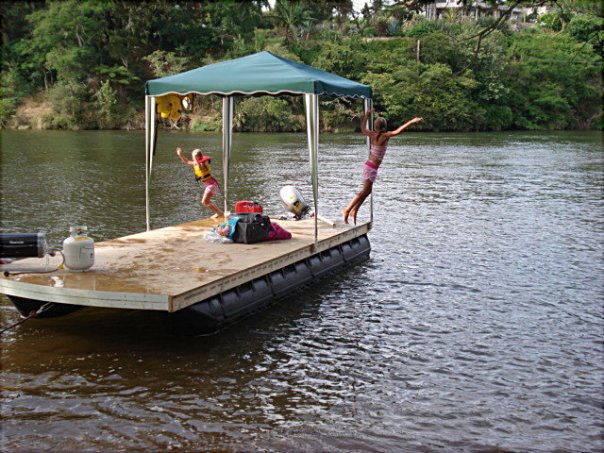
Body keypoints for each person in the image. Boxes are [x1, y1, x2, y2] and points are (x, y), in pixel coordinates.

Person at [343, 109, 423, 225]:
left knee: (367, 191)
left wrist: (367, 116)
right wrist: (412, 121)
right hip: (370, 167)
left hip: (371, 167)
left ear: (375, 127)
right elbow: (399, 131)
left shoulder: (372, 134)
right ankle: (347, 210)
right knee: (364, 191)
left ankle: (354, 211)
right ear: (384, 127)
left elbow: (363, 128)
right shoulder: (385, 136)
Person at [176, 147, 224, 218]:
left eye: (194, 156)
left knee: (204, 202)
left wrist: (198, 163)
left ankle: (219, 213)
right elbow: (186, 161)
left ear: (198, 156)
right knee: (205, 202)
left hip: (211, 185)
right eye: (193, 156)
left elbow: (203, 168)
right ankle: (219, 213)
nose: (193, 158)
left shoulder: (203, 163)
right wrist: (180, 154)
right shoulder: (196, 163)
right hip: (210, 185)